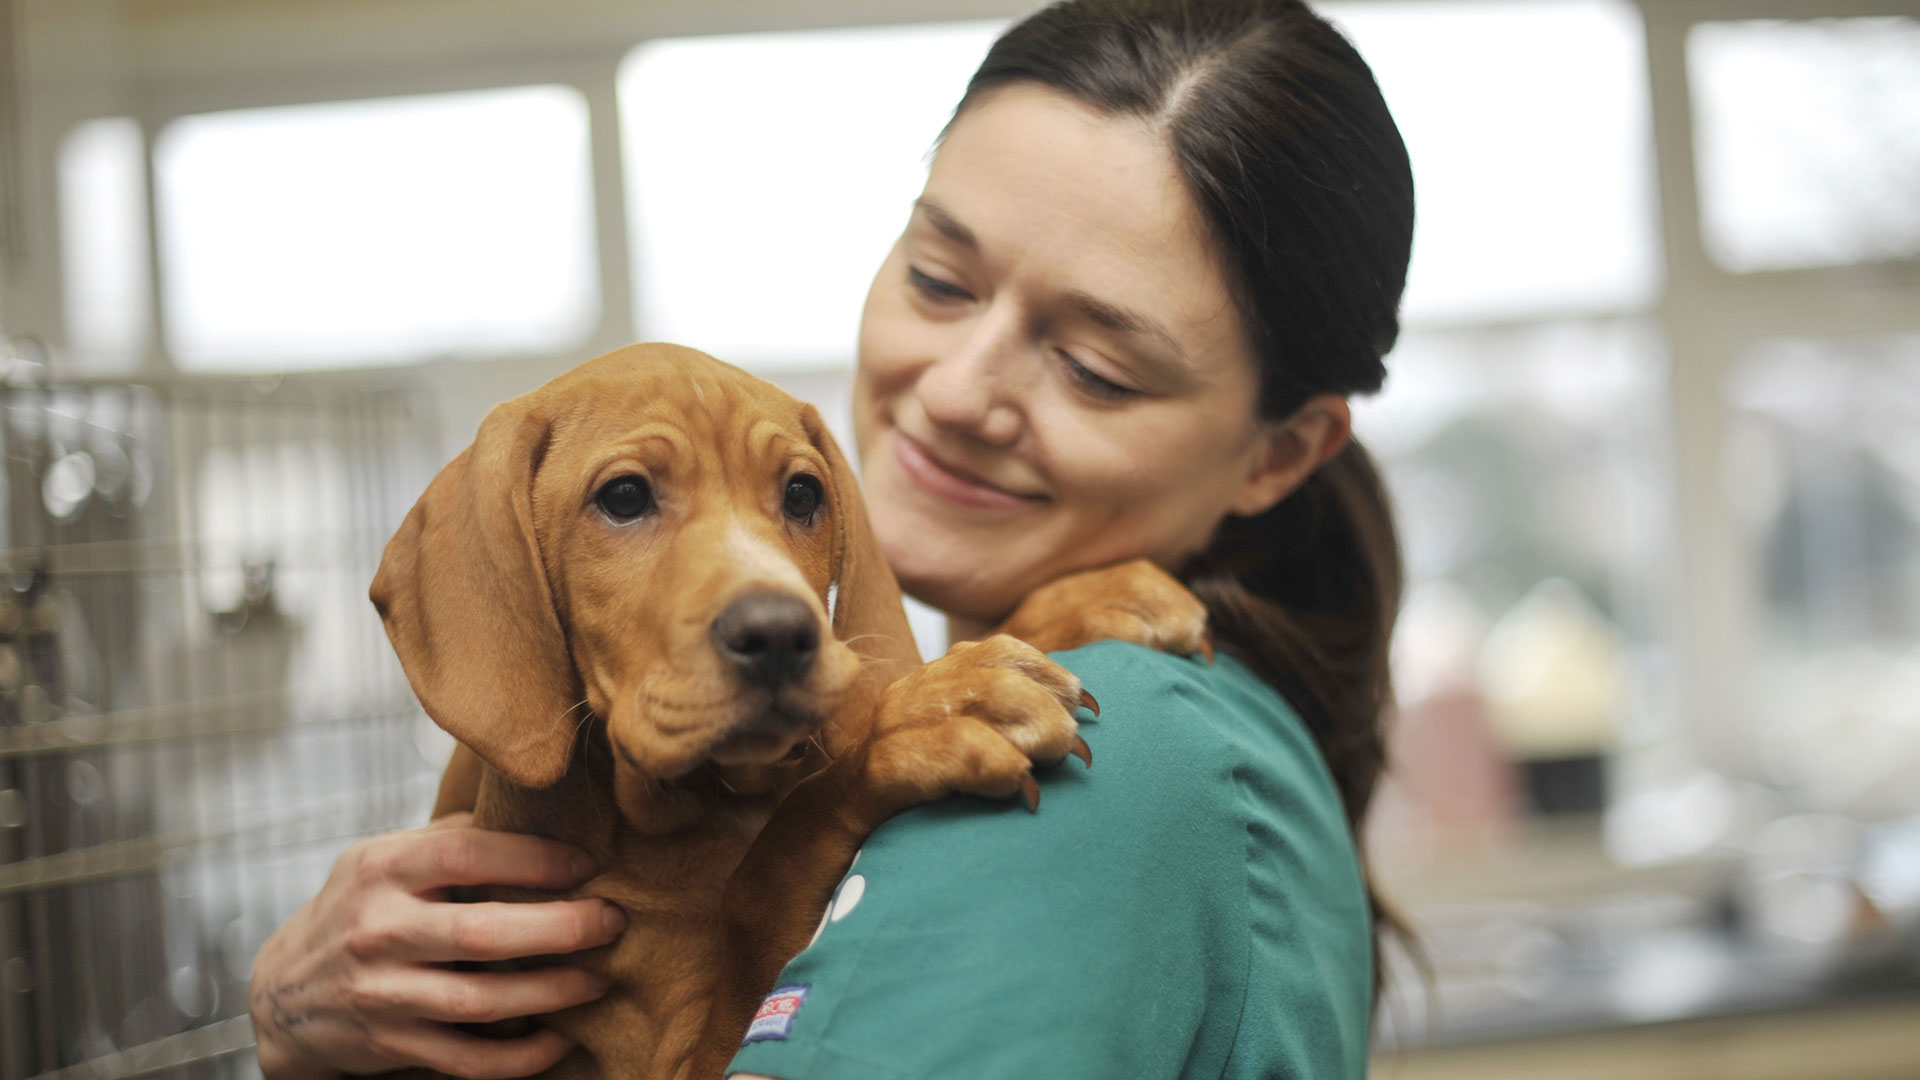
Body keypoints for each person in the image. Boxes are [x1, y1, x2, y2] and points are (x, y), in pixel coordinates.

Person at [249, 0, 1413, 1076]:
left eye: (1095, 366)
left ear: (1279, 452)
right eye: (940, 278)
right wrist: (294, 1030)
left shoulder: (1111, 757)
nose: (958, 391)